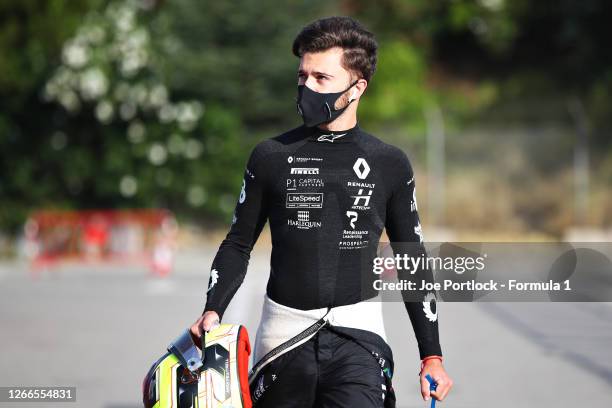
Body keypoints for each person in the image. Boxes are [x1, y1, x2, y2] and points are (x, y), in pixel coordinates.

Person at [191, 16, 453, 407]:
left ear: (357, 87)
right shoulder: (270, 156)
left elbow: (411, 258)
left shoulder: (389, 163)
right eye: (302, 77)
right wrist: (212, 310)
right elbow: (238, 243)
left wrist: (431, 355)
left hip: (359, 341)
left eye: (321, 78)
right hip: (282, 339)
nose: (306, 88)